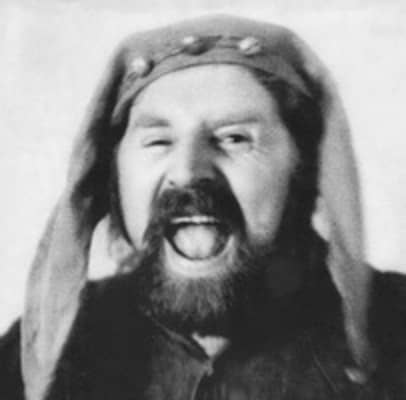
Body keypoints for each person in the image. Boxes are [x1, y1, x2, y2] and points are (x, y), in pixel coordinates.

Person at [0, 14, 405, 400]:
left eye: (234, 138)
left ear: (307, 169)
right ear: (114, 176)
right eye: (158, 141)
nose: (188, 171)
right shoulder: (44, 354)